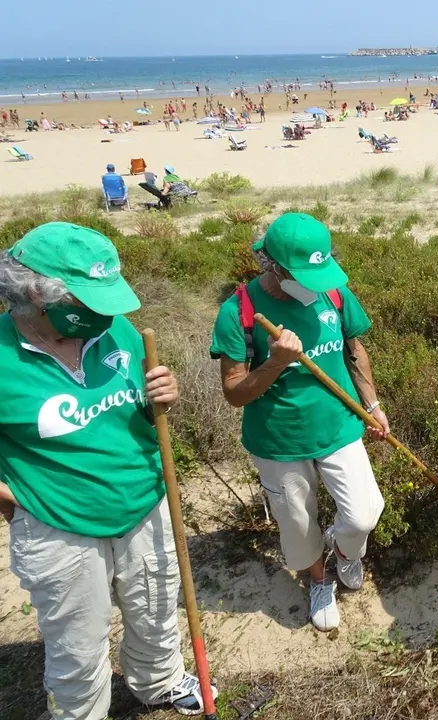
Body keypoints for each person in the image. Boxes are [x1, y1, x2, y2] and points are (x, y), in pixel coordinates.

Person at [0, 222, 216, 718]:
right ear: (37, 293)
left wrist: (163, 395)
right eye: (90, 300)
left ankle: (159, 681)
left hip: (144, 501)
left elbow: (140, 407)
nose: (106, 313)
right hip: (59, 526)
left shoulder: (113, 327)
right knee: (77, 645)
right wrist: (17, 503)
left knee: (157, 607)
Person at [210, 213, 388, 633]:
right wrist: (274, 363)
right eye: (306, 273)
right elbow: (234, 393)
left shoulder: (335, 293)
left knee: (364, 514)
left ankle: (345, 552)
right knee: (297, 525)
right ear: (274, 265)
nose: (318, 282)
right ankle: (319, 579)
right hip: (278, 440)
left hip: (340, 424)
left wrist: (374, 403)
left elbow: (354, 350)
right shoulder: (239, 312)